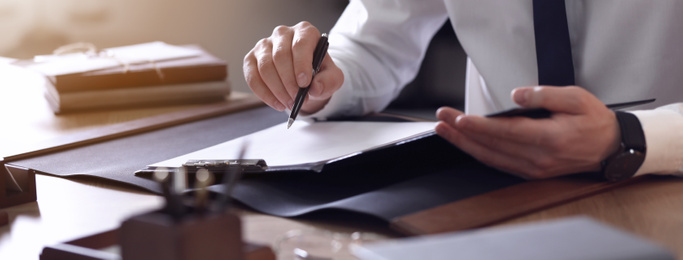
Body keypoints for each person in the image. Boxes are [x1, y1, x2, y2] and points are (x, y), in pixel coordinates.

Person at [243, 0, 683, 180]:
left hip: (664, 186)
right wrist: (319, 80)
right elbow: (372, 43)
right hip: (494, 189)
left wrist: (628, 136)